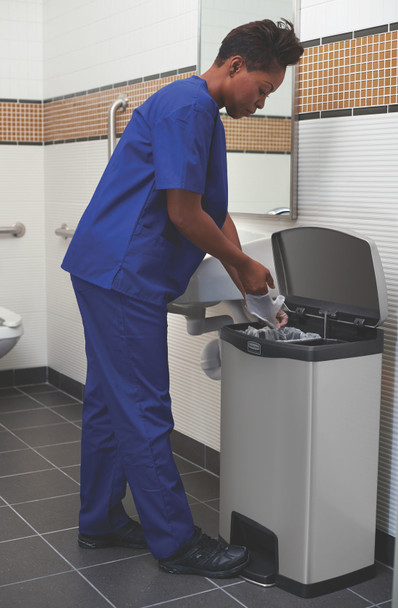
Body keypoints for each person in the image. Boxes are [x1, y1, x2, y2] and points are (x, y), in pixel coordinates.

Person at [61, 18, 303, 578]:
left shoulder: (197, 110)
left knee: (108, 400)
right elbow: (183, 214)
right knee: (145, 407)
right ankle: (176, 544)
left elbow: (212, 209)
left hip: (108, 268)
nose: (263, 104)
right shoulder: (190, 108)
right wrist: (238, 263)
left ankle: (99, 522)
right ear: (236, 66)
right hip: (123, 274)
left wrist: (246, 277)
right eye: (263, 89)